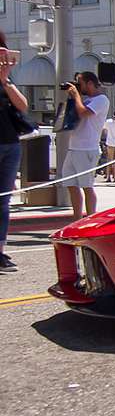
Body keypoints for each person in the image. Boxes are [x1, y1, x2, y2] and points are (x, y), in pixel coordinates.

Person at [61, 71, 109, 220]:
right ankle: (76, 219)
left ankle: (90, 218)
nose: (78, 87)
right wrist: (73, 98)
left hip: (87, 148)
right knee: (71, 184)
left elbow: (84, 113)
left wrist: (76, 96)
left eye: (79, 83)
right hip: (73, 147)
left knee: (87, 186)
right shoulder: (83, 99)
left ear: (89, 83)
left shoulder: (101, 99)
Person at [0, 40, 27, 272]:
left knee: (3, 201)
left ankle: (0, 252)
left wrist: (6, 81)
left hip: (10, 144)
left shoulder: (6, 81)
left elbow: (23, 106)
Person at [102, 111, 115, 182]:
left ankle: (108, 177)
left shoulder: (108, 122)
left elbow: (104, 129)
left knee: (109, 160)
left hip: (109, 142)